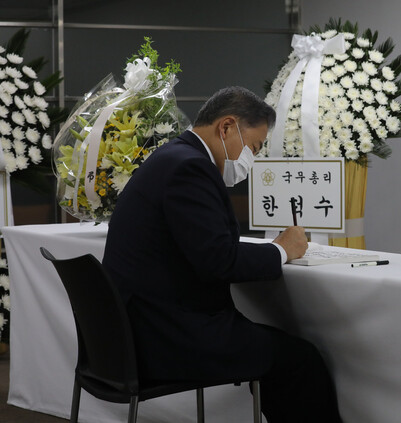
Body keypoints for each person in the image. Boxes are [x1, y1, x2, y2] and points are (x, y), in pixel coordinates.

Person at [102, 86, 342, 422]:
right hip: (168, 337)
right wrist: (281, 251)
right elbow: (218, 261)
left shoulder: (171, 157)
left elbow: (200, 246)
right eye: (254, 147)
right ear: (226, 127)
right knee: (301, 360)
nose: (252, 159)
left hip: (134, 332)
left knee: (277, 350)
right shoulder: (190, 168)